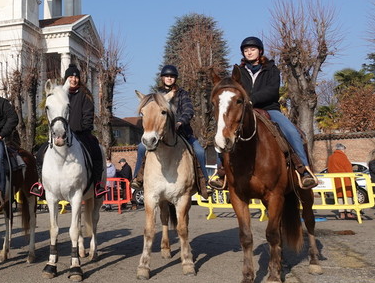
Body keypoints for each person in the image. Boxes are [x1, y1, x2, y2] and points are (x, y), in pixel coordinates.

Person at [212, 36, 317, 190]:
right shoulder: (239, 71)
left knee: (292, 132)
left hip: (269, 109)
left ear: (260, 51)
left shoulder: (271, 69)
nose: (249, 52)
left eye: (252, 49)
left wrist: (251, 99)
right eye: (246, 50)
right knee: (223, 131)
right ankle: (220, 172)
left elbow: (272, 90)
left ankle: (303, 170)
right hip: (245, 110)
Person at [132, 65, 209, 193]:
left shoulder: (182, 94)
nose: (169, 78)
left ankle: (204, 183)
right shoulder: (156, 95)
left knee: (200, 151)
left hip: (182, 132)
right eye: (167, 76)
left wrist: (180, 122)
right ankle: (137, 178)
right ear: (162, 78)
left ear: (175, 78)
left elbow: (188, 110)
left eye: (172, 76)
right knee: (141, 148)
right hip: (161, 134)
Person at [63, 64, 106, 196]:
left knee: (96, 150)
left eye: (76, 77)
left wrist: (84, 129)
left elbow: (88, 114)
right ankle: (41, 184)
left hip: (81, 133)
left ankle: (98, 184)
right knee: (43, 150)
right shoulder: (60, 93)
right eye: (71, 76)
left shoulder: (85, 94)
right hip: (62, 134)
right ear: (66, 78)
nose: (74, 79)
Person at [328, 143, 355, 219]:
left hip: (336, 179)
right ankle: (349, 212)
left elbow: (329, 169)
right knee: (348, 195)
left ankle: (341, 213)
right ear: (342, 149)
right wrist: (352, 178)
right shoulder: (343, 157)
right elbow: (348, 168)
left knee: (339, 195)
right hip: (345, 179)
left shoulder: (331, 157)